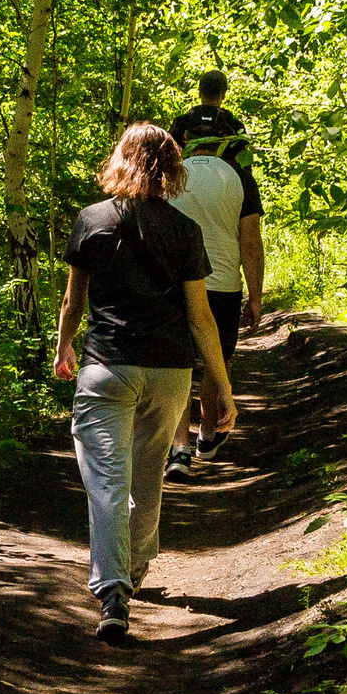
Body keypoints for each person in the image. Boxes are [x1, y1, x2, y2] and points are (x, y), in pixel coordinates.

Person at [54, 123, 239, 644]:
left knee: (107, 480)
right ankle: (133, 571)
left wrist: (63, 346)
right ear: (173, 170)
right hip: (169, 372)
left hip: (107, 367)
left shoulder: (92, 220)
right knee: (148, 475)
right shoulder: (184, 230)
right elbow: (201, 317)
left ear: (120, 160)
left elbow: (74, 301)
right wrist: (220, 386)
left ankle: (114, 590)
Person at [166, 72, 264, 476]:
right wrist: (255, 297)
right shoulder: (241, 177)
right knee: (215, 359)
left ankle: (179, 449)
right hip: (222, 283)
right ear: (223, 94)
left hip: (172, 282)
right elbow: (251, 242)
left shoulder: (170, 175)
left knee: (175, 365)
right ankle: (208, 431)